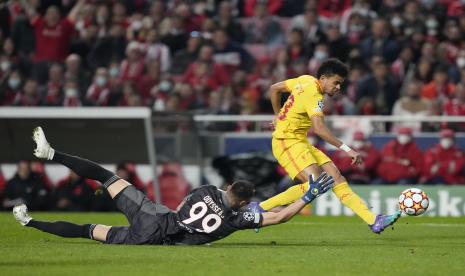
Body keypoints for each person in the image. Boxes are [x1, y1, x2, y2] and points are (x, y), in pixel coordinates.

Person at [13, 127, 334, 245]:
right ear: (242, 202)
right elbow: (278, 217)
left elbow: (181, 208)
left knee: (105, 176)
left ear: (228, 187)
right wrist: (308, 195)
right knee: (89, 231)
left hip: (152, 215)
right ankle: (30, 222)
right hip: (149, 239)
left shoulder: (207, 190)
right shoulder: (235, 220)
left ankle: (51, 153)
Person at [248, 58, 401, 234]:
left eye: (341, 84)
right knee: (316, 185)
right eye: (336, 82)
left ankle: (373, 220)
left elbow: (275, 88)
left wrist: (277, 115)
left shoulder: (305, 79)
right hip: (286, 141)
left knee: (336, 178)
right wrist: (347, 149)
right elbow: (319, 130)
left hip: (300, 141)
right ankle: (260, 207)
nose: (338, 87)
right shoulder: (314, 95)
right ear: (323, 78)